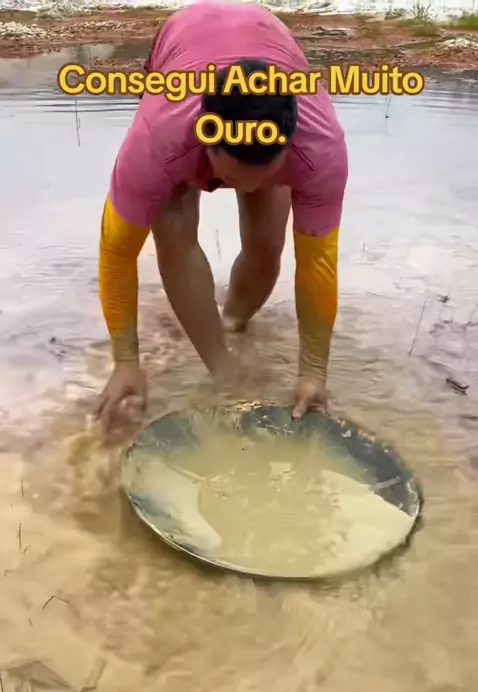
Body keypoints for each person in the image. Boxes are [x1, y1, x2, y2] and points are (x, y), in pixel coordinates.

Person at [95, 0, 348, 430]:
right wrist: (126, 361)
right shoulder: (159, 139)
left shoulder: (320, 148)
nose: (244, 190)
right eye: (231, 176)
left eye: (261, 177)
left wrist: (313, 373)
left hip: (267, 33)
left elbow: (317, 262)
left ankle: (231, 321)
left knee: (267, 245)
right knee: (172, 230)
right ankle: (221, 369)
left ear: (289, 144)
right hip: (183, 39)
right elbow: (117, 250)